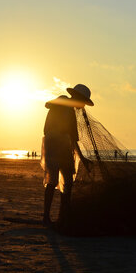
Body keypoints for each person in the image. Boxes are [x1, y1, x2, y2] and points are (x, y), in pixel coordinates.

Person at [41, 84, 94, 227]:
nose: (82, 106)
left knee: (66, 181)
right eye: (82, 102)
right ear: (77, 97)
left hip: (59, 144)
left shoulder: (70, 111)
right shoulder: (63, 101)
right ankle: (48, 217)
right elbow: (48, 104)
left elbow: (73, 139)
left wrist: (83, 159)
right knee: (54, 181)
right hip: (55, 144)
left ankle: (61, 216)